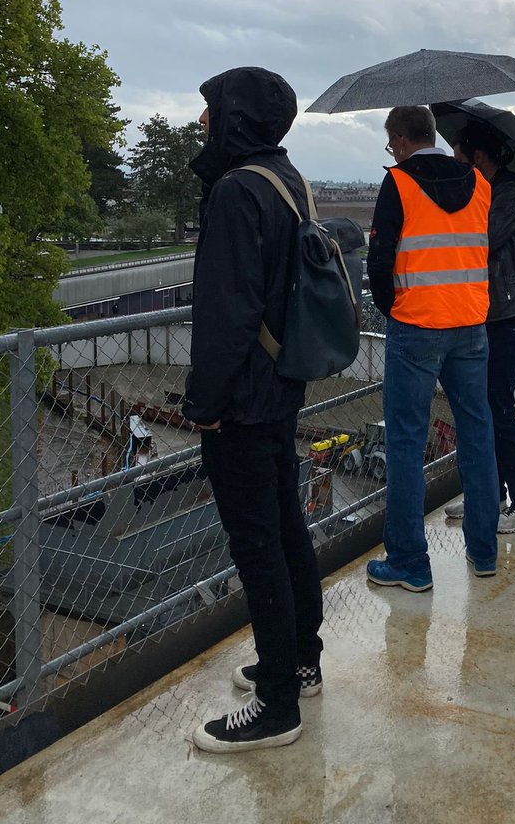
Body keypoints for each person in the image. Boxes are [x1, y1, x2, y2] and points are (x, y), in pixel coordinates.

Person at [184, 67, 324, 754]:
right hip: (282, 384)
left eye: (210, 109)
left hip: (241, 398)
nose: (203, 121)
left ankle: (276, 705)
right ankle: (300, 660)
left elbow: (224, 312)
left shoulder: (238, 191)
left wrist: (202, 404)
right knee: (286, 526)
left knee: (258, 544)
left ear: (235, 116)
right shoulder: (285, 179)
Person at [366, 105, 499, 590]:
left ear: (400, 140)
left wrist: (395, 308)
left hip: (416, 326)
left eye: (391, 144)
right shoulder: (480, 183)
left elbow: (379, 262)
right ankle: (484, 552)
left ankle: (408, 562)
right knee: (478, 433)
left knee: (404, 442)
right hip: (470, 325)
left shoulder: (399, 183)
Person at [442, 121, 515, 533]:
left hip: (508, 312)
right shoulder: (495, 190)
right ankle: (490, 492)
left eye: (460, 160)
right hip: (494, 311)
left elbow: (477, 241)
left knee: (496, 407)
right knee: (485, 405)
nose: (456, 167)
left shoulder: (508, 194)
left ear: (478, 158)